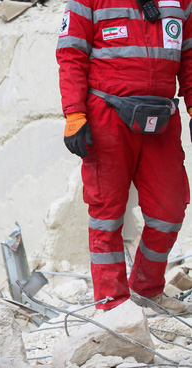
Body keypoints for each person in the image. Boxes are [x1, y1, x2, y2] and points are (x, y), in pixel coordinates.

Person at [57, 0, 192, 313]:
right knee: (107, 214)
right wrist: (74, 112)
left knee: (169, 212)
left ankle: (146, 291)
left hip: (161, 118)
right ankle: (113, 304)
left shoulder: (182, 2)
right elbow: (71, 54)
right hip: (107, 115)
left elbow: (189, 57)